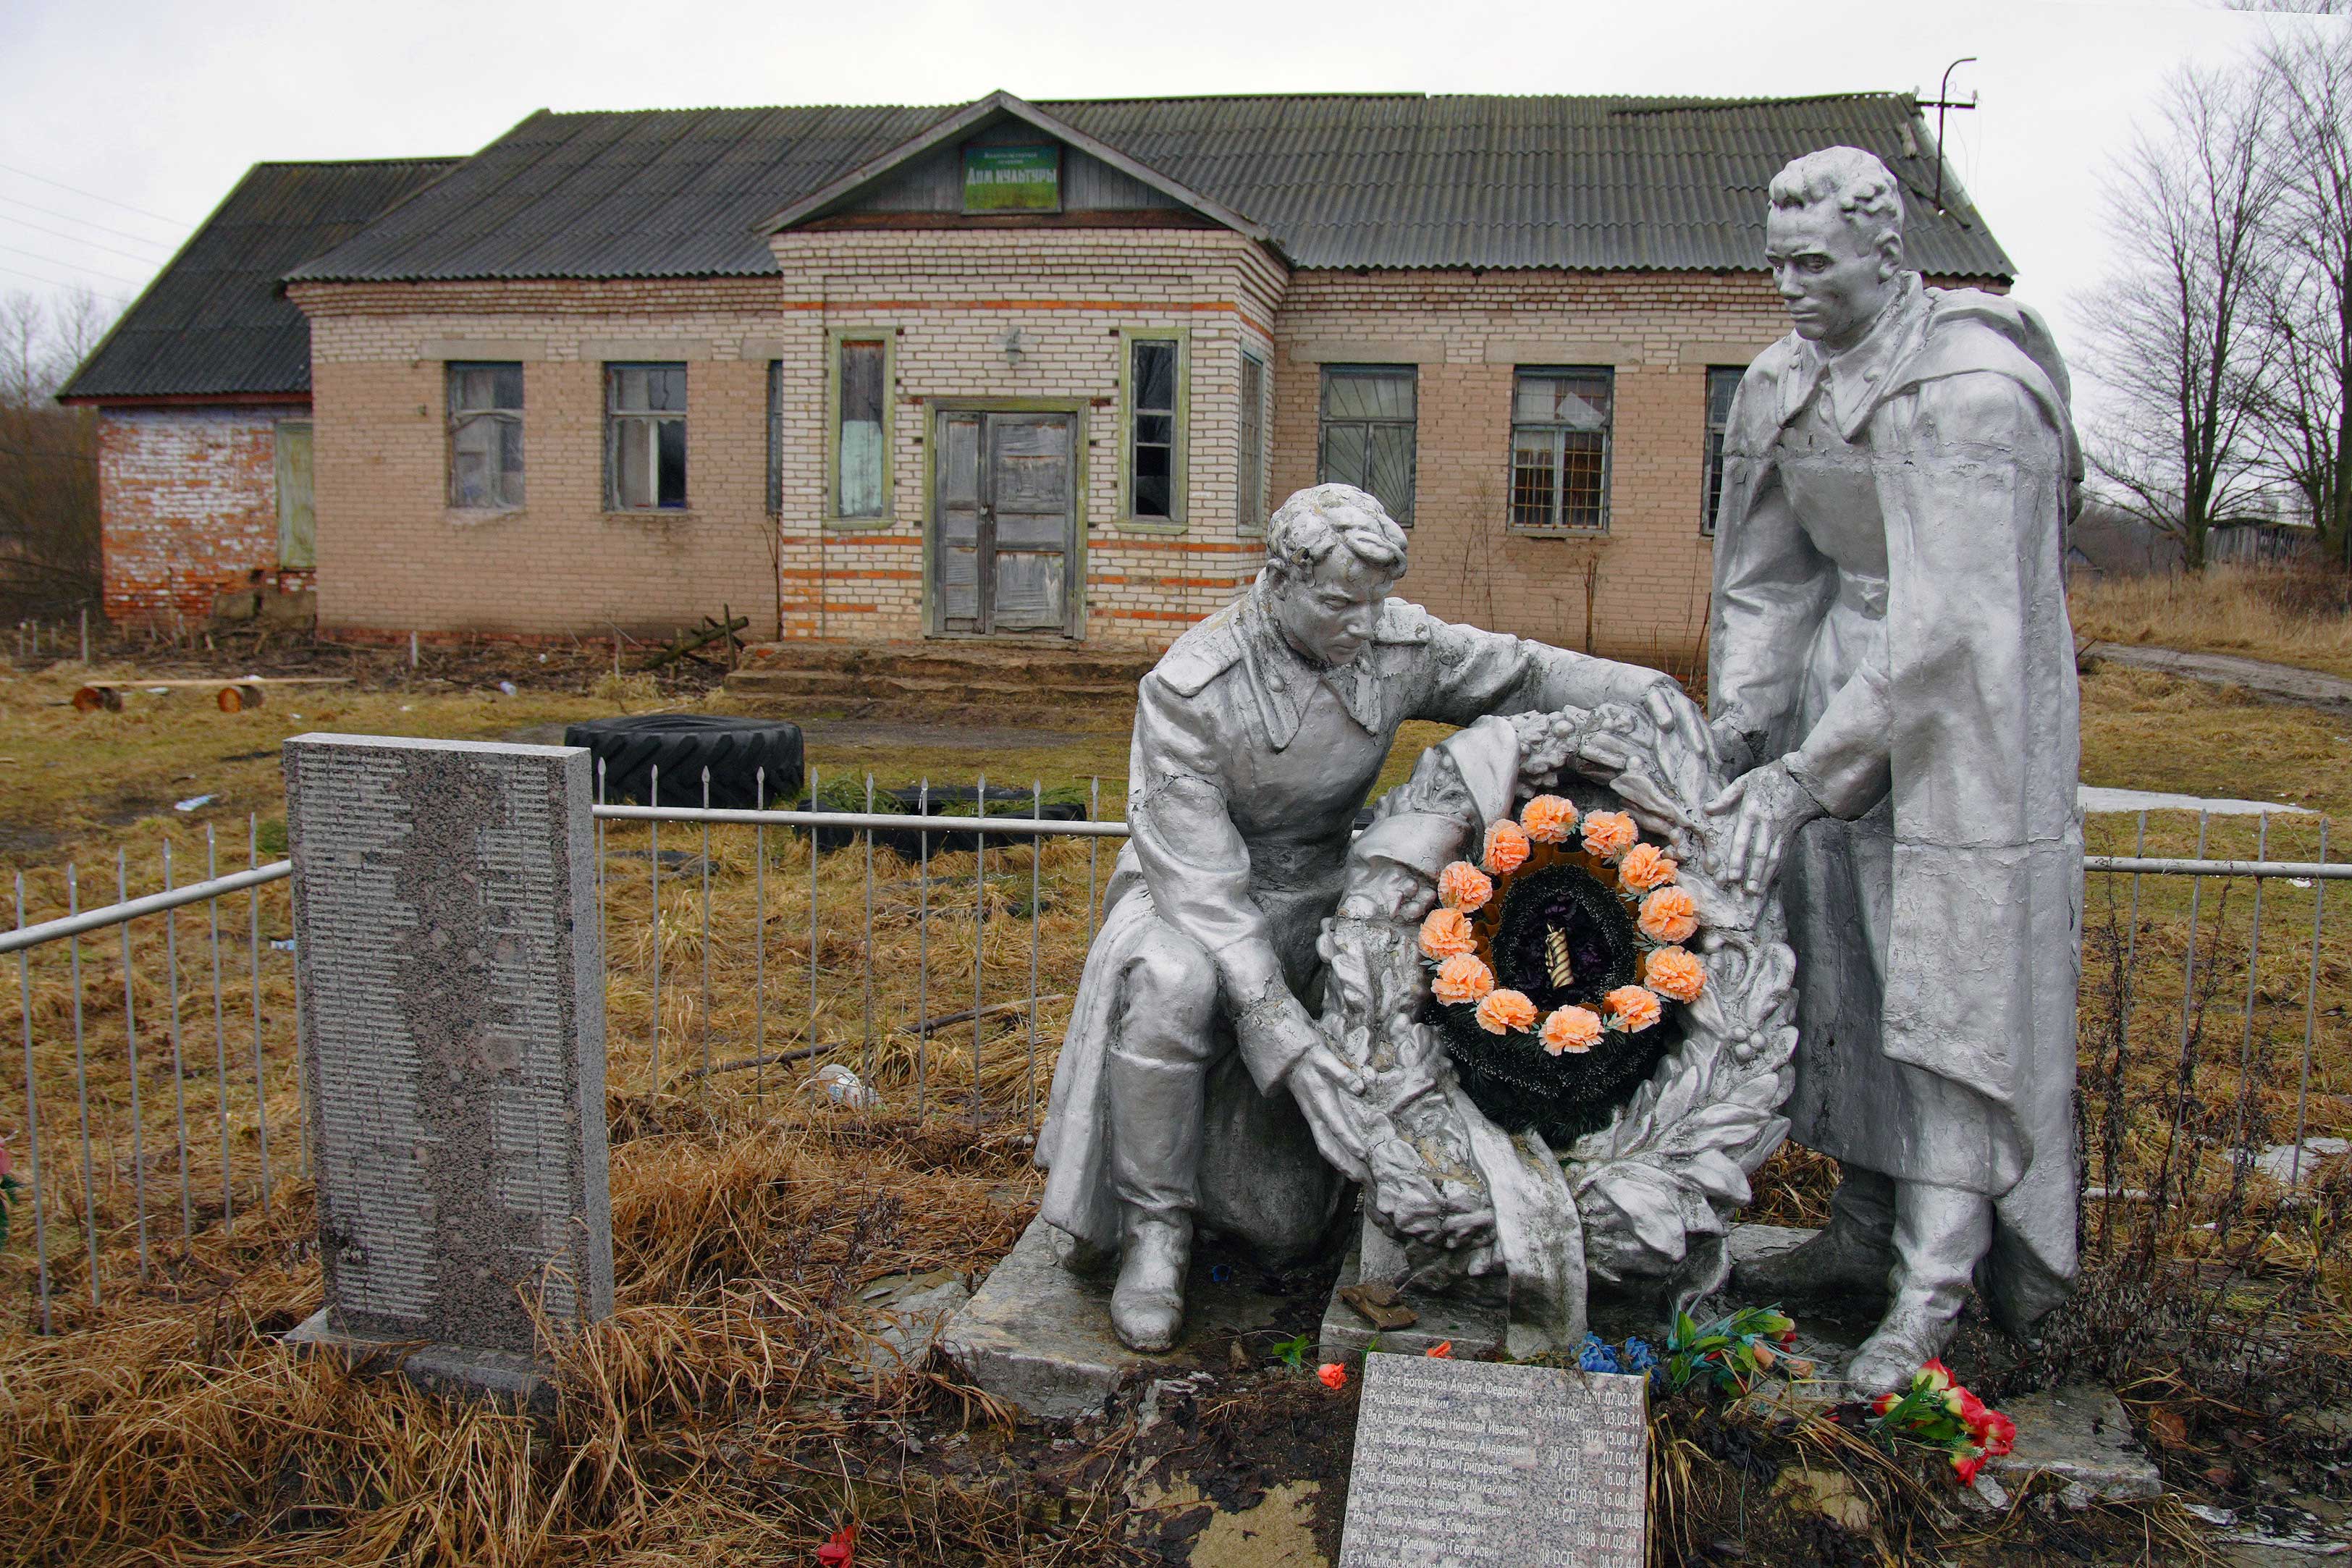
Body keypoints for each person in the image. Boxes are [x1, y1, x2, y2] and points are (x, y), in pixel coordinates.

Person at [1034, 483, 1708, 1352]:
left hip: (1321, 887)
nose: (1360, 624)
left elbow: (1522, 670)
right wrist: (1278, 1028)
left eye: (1373, 603)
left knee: (1282, 1230)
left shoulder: (1391, 644)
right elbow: (1201, 879)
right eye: (1339, 603)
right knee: (1174, 981)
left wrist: (1643, 687)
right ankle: (1155, 1231)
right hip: (1190, 898)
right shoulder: (1193, 686)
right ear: (1278, 580)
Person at [1703, 147, 2083, 1393]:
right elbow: (1764, 579)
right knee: (1843, 977)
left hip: (1960, 733)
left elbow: (1953, 628)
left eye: (1810, 265)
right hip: (1831, 694)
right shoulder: (1775, 383)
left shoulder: (1972, 391)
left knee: (1942, 1002)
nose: (1788, 288)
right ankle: (1857, 1235)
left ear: (1883, 249)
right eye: (1774, 264)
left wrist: (1803, 774)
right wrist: (1739, 734)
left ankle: (1930, 1284)